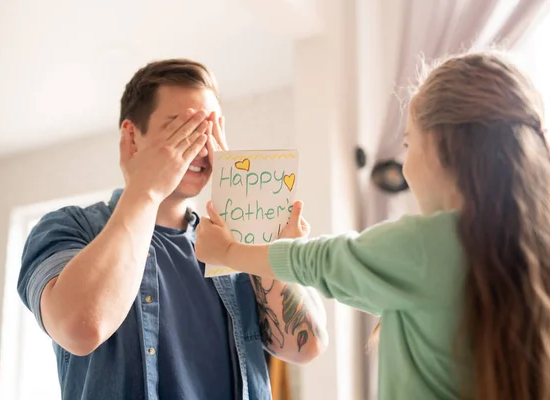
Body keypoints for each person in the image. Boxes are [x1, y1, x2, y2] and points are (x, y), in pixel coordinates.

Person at [194, 51, 550, 400]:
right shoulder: (535, 244)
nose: (406, 168)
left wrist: (228, 251)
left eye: (409, 144)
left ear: (443, 145)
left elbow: (323, 261)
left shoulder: (428, 246)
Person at [17, 59, 328, 400]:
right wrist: (145, 190)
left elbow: (307, 345)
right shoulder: (69, 228)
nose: (199, 145)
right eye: (180, 129)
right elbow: (80, 328)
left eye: (208, 129)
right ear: (131, 138)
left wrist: (255, 230)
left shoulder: (235, 243)